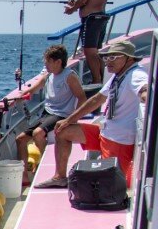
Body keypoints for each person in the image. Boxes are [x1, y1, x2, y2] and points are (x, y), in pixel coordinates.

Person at [43, 38, 150, 188]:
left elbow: (145, 89)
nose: (107, 62)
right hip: (104, 132)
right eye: (106, 57)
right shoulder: (118, 75)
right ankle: (60, 177)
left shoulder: (136, 75)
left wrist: (146, 95)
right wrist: (69, 120)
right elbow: (97, 99)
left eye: (113, 57)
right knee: (62, 131)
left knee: (110, 186)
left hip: (118, 140)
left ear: (129, 59)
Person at [16, 45, 86, 180]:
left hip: (62, 115)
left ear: (58, 62)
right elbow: (32, 90)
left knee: (38, 133)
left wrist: (73, 119)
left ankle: (43, 164)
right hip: (47, 113)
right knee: (20, 139)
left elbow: (82, 98)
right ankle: (24, 177)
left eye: (48, 61)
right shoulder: (48, 76)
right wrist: (20, 97)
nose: (45, 64)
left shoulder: (70, 76)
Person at [64, 0, 109, 84]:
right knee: (94, 51)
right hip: (99, 18)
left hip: (91, 20)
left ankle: (97, 80)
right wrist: (75, 3)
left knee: (89, 51)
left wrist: (72, 9)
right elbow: (89, 0)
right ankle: (102, 78)